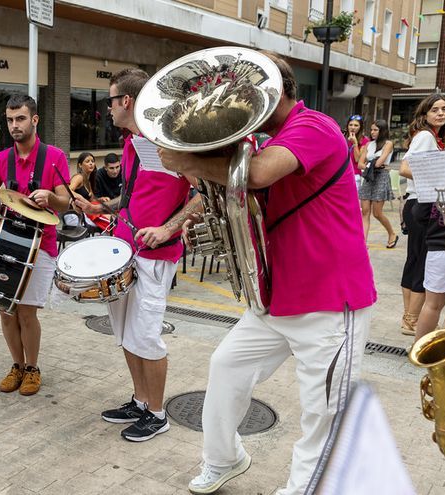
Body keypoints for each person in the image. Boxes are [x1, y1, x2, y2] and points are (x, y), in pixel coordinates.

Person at [156, 53, 375, 494]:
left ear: (273, 88)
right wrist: (202, 216)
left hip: (330, 300)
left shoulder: (313, 126)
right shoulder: (258, 140)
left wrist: (189, 162)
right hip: (277, 295)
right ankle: (225, 459)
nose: (229, 101)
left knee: (323, 414)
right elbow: (241, 194)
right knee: (226, 367)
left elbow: (255, 175)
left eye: (239, 91)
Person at [73, 68, 190, 441]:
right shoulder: (130, 144)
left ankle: (158, 414)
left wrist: (167, 229)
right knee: (125, 333)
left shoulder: (174, 140)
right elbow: (135, 196)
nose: (106, 109)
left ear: (126, 101)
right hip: (124, 247)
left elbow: (205, 193)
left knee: (147, 337)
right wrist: (99, 208)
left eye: (109, 100)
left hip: (155, 255)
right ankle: (140, 401)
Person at [0, 95, 72, 395]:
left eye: (21, 119)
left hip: (41, 244)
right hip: (7, 241)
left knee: (26, 312)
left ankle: (32, 367)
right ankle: (16, 365)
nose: (14, 125)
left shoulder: (54, 157)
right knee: (5, 309)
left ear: (35, 120)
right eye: (10, 120)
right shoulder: (1, 159)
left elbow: (67, 204)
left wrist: (51, 199)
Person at [398, 95, 445, 341]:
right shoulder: (425, 136)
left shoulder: (438, 139)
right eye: (435, 109)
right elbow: (404, 168)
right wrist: (440, 181)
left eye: (444, 109)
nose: (441, 114)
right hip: (423, 206)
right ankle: (411, 320)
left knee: (420, 262)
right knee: (422, 265)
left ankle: (411, 319)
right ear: (425, 114)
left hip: (431, 207)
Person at [358, 119, 397, 247]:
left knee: (377, 213)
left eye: (376, 129)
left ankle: (392, 233)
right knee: (365, 211)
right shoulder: (369, 144)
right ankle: (363, 242)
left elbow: (380, 162)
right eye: (372, 129)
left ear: (382, 131)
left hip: (381, 177)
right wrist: (371, 164)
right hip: (369, 177)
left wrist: (369, 164)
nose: (372, 132)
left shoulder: (388, 143)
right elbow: (359, 163)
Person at [345, 115, 368, 190]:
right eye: (350, 125)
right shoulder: (343, 137)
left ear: (360, 127)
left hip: (354, 174)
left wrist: (355, 143)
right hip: (341, 173)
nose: (353, 127)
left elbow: (358, 160)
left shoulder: (365, 141)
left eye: (356, 125)